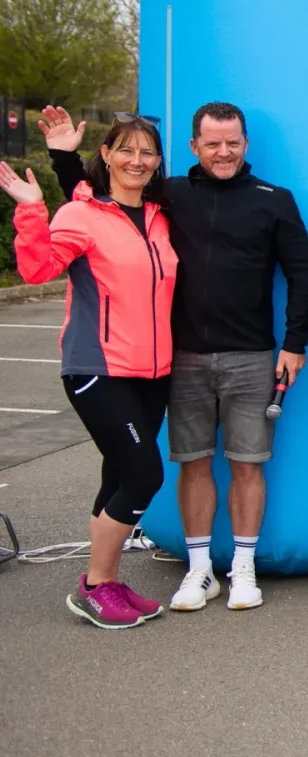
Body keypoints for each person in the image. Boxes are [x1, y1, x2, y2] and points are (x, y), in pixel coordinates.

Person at [43, 101, 308, 612]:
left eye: (232, 142)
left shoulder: (274, 200)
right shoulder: (169, 197)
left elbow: (302, 275)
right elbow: (97, 202)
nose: (223, 151)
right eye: (212, 143)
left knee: (247, 465)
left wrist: (295, 343)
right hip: (181, 358)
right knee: (191, 465)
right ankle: (197, 572)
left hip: (252, 357)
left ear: (246, 144)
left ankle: (243, 570)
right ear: (194, 147)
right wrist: (63, 160)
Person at [4, 120, 177, 629]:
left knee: (120, 473)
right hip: (97, 367)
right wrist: (32, 209)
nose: (137, 161)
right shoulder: (81, 214)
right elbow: (37, 270)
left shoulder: (160, 217)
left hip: (153, 370)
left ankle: (110, 580)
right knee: (145, 474)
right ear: (106, 154)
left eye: (148, 153)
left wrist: (64, 158)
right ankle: (95, 586)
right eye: (126, 151)